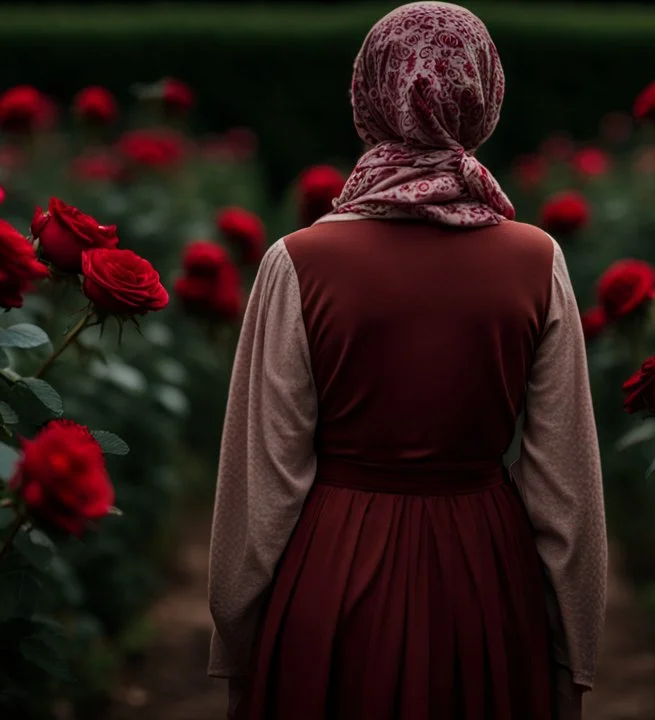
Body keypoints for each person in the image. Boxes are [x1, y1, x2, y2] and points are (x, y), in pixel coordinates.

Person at [206, 3, 607, 718]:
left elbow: (262, 486)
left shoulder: (298, 262)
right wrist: (571, 659)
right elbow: (565, 491)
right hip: (485, 586)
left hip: (329, 588)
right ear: (484, 93)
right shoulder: (537, 261)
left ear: (370, 91)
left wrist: (239, 652)